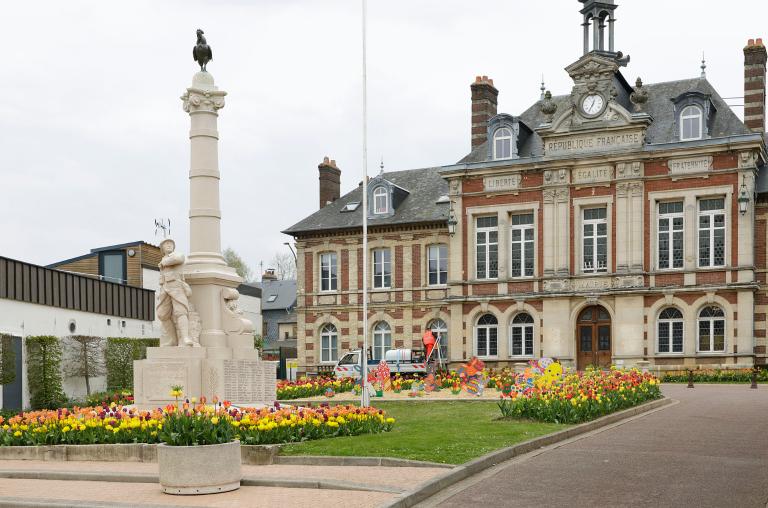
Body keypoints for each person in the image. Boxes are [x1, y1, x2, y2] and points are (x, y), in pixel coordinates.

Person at [156, 238, 197, 347]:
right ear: (162, 248)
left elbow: (179, 259)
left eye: (171, 243)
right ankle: (173, 340)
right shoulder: (162, 260)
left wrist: (164, 262)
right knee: (161, 314)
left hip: (176, 287)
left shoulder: (177, 255)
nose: (169, 245)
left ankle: (185, 337)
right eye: (166, 244)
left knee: (181, 311)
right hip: (165, 289)